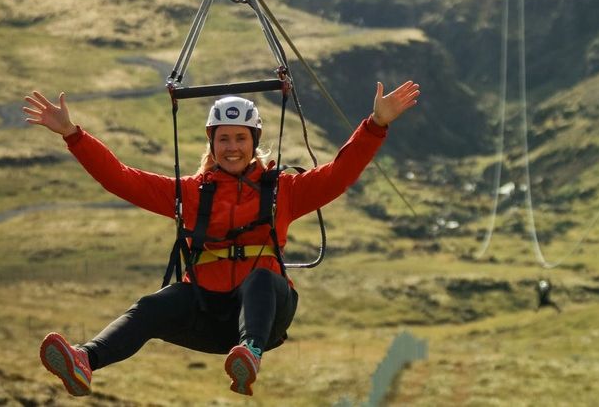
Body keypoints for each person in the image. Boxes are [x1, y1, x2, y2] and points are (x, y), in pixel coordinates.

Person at [23, 80, 419, 397]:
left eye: (240, 138)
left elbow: (339, 173)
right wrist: (73, 135)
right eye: (224, 139)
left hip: (265, 316)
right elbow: (122, 179)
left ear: (253, 142)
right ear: (212, 144)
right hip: (209, 317)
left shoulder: (283, 190)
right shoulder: (191, 193)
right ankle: (84, 360)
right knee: (154, 303)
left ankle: (250, 353)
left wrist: (375, 124)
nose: (232, 147)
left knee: (261, 279)